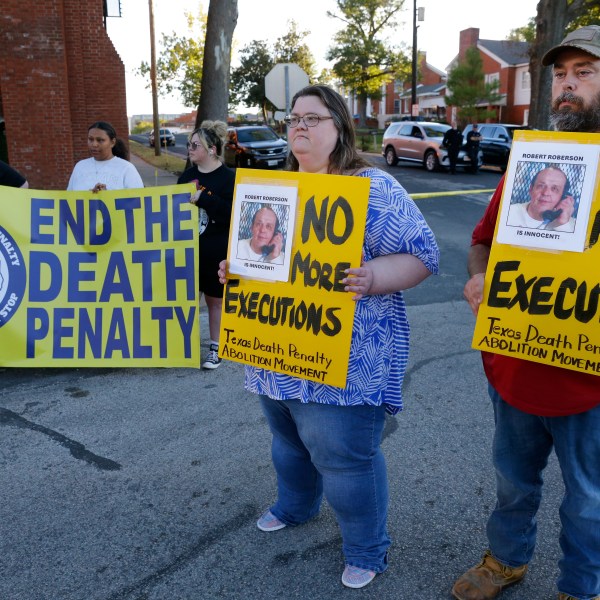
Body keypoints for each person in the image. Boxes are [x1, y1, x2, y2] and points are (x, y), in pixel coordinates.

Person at [219, 84, 439, 589]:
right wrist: (239, 268)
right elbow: (263, 255)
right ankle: (295, 507)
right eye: (293, 118)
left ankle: (366, 547)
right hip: (274, 352)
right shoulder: (272, 191)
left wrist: (374, 277)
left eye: (313, 118)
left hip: (345, 362)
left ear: (340, 127)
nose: (299, 125)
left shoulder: (373, 189)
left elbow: (423, 254)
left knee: (344, 459)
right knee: (288, 445)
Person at [455, 25, 600, 600]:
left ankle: (580, 585)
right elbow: (482, 239)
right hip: (513, 364)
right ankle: (507, 560)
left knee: (590, 498)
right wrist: (477, 274)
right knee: (513, 483)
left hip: (589, 383)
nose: (567, 86)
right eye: (561, 75)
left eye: (584, 74)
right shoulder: (530, 162)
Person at [178, 121, 235, 370]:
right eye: (189, 144)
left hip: (215, 251)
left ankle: (216, 348)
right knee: (185, 300)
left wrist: (205, 198)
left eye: (194, 145)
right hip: (187, 251)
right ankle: (180, 348)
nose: (189, 149)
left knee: (215, 302)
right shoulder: (187, 176)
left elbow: (233, 213)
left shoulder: (229, 178)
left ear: (212, 149)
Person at [67, 121, 143, 192]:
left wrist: (107, 196)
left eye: (100, 140)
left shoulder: (126, 168)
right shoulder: (80, 166)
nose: (94, 144)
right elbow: (68, 198)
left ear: (112, 142)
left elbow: (137, 200)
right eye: (90, 139)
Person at [507, 166, 576, 232]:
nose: (545, 193)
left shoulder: (573, 226)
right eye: (541, 186)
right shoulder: (509, 213)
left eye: (554, 188)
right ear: (531, 189)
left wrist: (562, 224)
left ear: (564, 196)